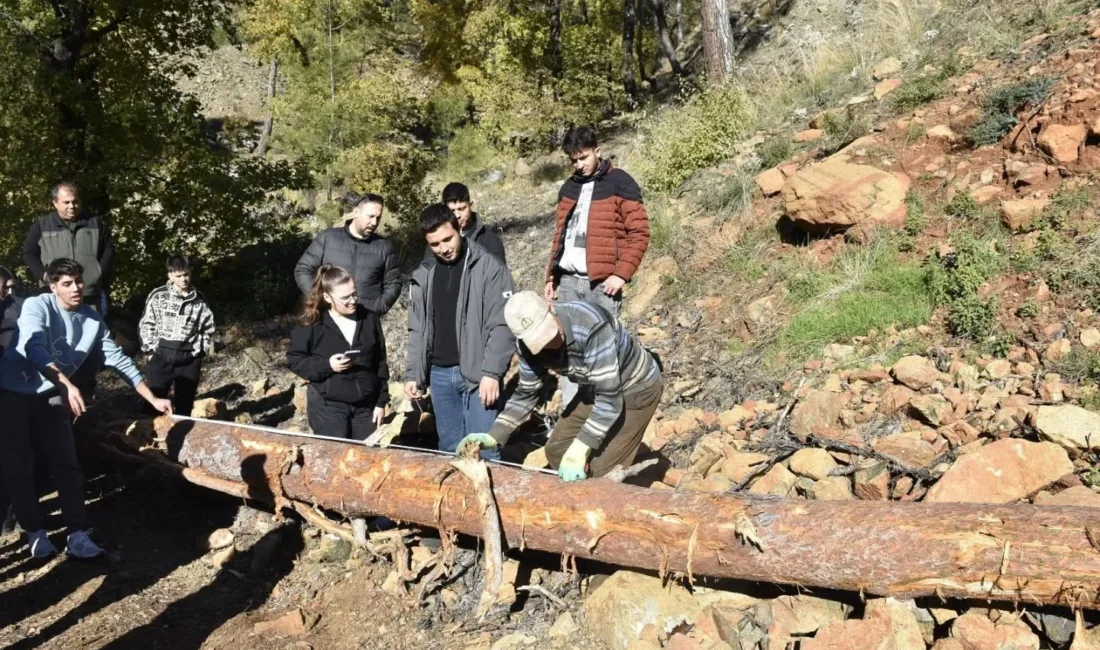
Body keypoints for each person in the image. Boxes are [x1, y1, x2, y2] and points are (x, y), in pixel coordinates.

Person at [0, 258, 172, 559]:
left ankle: (77, 534)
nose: (76, 287)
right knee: (19, 465)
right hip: (12, 391)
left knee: (65, 461)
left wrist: (152, 398)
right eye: (66, 283)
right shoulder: (36, 307)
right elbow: (34, 347)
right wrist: (67, 384)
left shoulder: (92, 318)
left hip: (51, 391)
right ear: (53, 287)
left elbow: (117, 358)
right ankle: (35, 532)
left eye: (78, 280)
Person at [460, 292, 663, 482]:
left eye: (550, 332)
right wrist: (495, 435)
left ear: (550, 306)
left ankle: (604, 503)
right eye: (540, 341)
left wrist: (582, 447)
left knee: (603, 472)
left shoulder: (589, 325)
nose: (550, 343)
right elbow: (527, 394)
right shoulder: (526, 347)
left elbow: (609, 399)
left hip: (636, 389)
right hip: (593, 388)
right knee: (557, 450)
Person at [404, 204, 515, 456]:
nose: (443, 249)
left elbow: (503, 322)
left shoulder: (489, 267)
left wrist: (492, 372)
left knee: (485, 450)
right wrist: (414, 373)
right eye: (434, 244)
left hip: (478, 375)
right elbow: (417, 328)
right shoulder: (424, 275)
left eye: (447, 239)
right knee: (449, 450)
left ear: (459, 228)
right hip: (439, 375)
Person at [544, 125, 650, 314]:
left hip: (602, 286)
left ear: (597, 151)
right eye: (574, 161)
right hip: (568, 283)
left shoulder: (620, 182)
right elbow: (559, 236)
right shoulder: (569, 188)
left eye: (584, 158)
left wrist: (621, 275)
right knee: (570, 342)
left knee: (603, 342)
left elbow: (639, 232)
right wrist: (552, 277)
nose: (579, 165)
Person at [288, 265, 389, 441]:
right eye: (345, 298)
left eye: (354, 294)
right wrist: (328, 365)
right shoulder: (312, 323)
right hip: (328, 407)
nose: (352, 301)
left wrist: (381, 402)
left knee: (365, 460)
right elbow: (295, 360)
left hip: (366, 406)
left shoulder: (369, 319)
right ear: (327, 297)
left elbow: (380, 362)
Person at [294, 193, 401, 316]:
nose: (374, 222)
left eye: (378, 217)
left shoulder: (384, 247)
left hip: (366, 321)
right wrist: (319, 300)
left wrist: (380, 307)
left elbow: (394, 282)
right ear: (356, 212)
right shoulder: (328, 238)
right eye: (370, 216)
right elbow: (303, 270)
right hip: (330, 320)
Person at [138, 255, 216, 417]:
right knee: (153, 404)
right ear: (170, 275)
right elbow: (146, 324)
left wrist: (198, 353)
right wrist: (150, 352)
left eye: (186, 274)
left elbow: (208, 327)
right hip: (161, 356)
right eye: (178, 276)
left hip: (189, 360)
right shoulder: (158, 296)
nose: (183, 279)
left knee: (184, 406)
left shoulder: (199, 300)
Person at [23, 182, 115, 312]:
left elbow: (109, 249)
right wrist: (44, 276)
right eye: (66, 202)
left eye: (75, 201)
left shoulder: (95, 222)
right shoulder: (41, 225)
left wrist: (98, 273)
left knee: (91, 330)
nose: (72, 206)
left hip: (88, 293)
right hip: (54, 295)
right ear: (55, 203)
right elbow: (28, 253)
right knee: (58, 331)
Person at [421, 182, 506, 265]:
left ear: (471, 205)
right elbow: (427, 271)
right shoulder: (438, 240)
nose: (457, 215)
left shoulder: (489, 240)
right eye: (452, 210)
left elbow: (499, 275)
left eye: (461, 209)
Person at [0, 267, 19, 536]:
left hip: (11, 388)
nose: (7, 292)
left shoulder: (18, 309)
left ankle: (9, 515)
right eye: (5, 287)